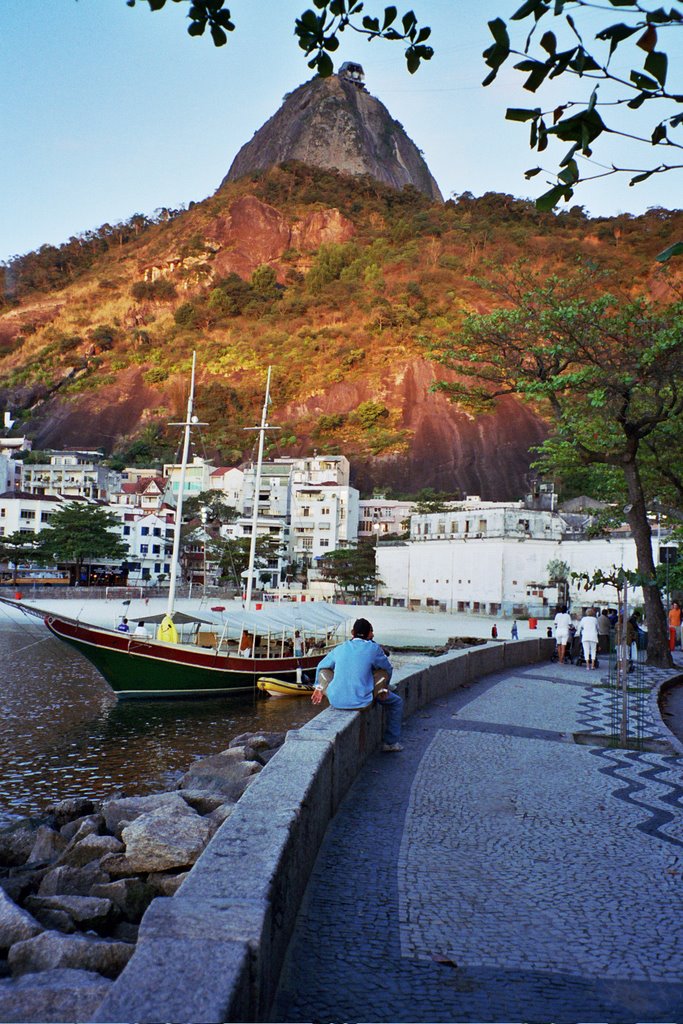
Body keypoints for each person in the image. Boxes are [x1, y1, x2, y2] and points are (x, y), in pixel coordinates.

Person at [311, 617, 403, 752]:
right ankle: (391, 742)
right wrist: (383, 687)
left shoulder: (340, 648)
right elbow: (387, 669)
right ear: (368, 634)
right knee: (396, 701)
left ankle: (320, 688)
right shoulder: (373, 648)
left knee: (325, 670)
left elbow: (321, 667)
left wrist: (319, 686)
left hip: (335, 700)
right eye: (372, 632)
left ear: (352, 632)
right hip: (361, 702)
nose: (373, 635)